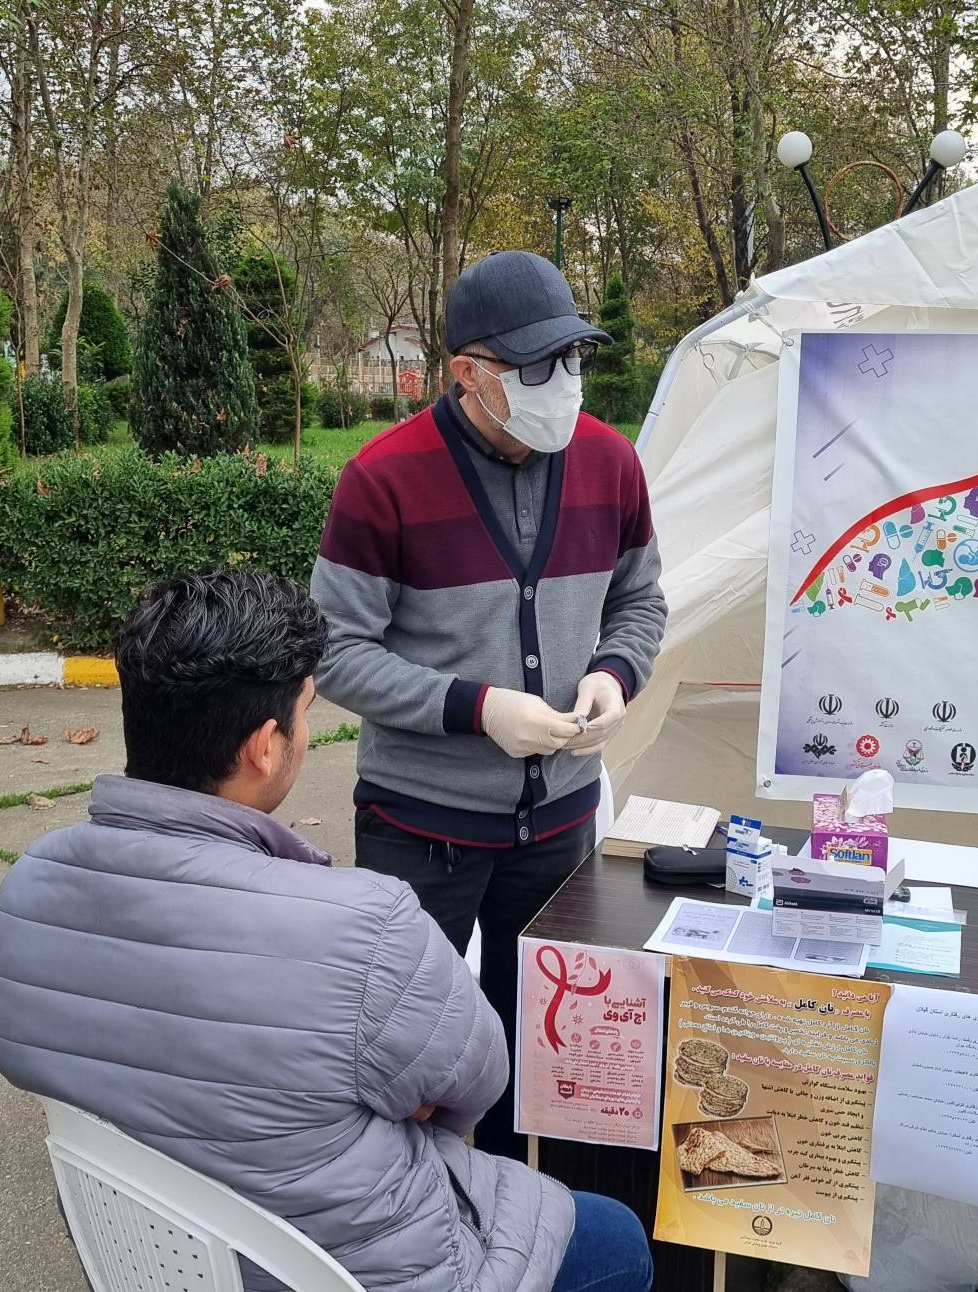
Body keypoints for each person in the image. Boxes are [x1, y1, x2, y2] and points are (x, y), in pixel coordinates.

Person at [0, 570, 652, 1292]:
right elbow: (477, 1084)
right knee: (616, 1238)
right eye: (304, 713)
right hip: (356, 1265)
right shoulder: (364, 928)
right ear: (266, 748)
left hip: (144, 1252)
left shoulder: (31, 887)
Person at [311, 251, 667, 1160]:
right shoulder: (382, 479)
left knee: (539, 1044)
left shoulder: (610, 462)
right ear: (467, 372)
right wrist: (476, 709)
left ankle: (510, 1202)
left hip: (559, 821)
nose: (565, 383)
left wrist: (614, 673)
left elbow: (639, 598)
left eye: (573, 358)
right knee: (415, 1056)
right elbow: (335, 651)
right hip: (420, 824)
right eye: (537, 366)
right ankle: (417, 1211)